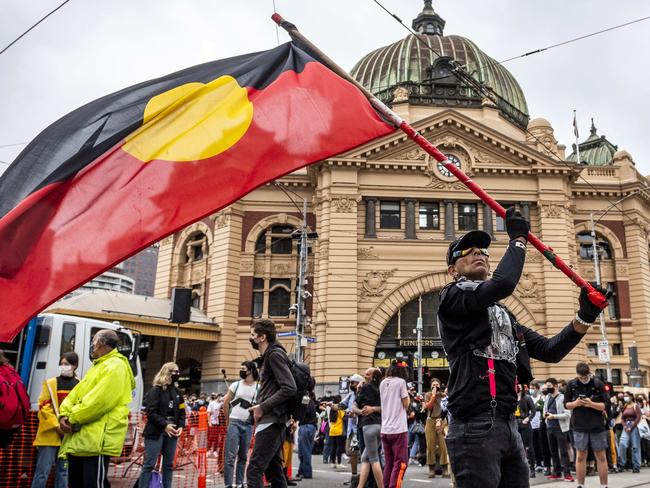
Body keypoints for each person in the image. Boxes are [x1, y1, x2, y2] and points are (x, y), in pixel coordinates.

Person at [437, 208, 610, 488]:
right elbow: (504, 283)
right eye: (467, 251)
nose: (478, 253)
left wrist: (586, 316)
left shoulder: (504, 314)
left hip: (509, 424)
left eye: (482, 250)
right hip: (474, 425)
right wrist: (518, 240)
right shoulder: (452, 296)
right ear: (452, 269)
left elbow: (551, 350)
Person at [58, 329, 135, 488]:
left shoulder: (116, 366)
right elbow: (75, 395)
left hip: (96, 440)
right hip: (83, 438)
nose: (92, 345)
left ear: (102, 343)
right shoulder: (97, 366)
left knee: (93, 484)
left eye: (94, 342)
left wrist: (70, 417)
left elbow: (99, 402)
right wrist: (63, 415)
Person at [246, 319, 297, 488]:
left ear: (262, 337)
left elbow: (289, 387)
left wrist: (263, 406)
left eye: (252, 335)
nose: (250, 338)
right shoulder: (271, 354)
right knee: (274, 471)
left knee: (254, 470)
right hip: (273, 419)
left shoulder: (274, 354)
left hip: (272, 419)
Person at [31, 352, 80, 488]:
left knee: (63, 472)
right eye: (61, 364)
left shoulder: (80, 385)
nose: (63, 366)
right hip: (50, 433)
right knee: (42, 471)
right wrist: (57, 425)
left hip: (68, 434)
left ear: (74, 366)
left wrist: (70, 425)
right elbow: (44, 406)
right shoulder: (50, 383)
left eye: (67, 364)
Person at [138, 362, 186, 488]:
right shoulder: (156, 390)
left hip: (173, 431)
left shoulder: (178, 393)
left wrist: (181, 426)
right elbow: (151, 412)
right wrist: (164, 425)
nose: (178, 374)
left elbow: (182, 412)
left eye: (178, 371)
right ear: (167, 372)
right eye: (175, 371)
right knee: (149, 464)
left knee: (169, 465)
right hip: (156, 431)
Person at [564, 361, 610, 488]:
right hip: (579, 425)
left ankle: (604, 485)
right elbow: (566, 404)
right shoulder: (572, 384)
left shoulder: (597, 383)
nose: (583, 379)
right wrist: (576, 403)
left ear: (589, 373)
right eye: (581, 377)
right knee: (580, 456)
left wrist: (591, 404)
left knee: (600, 456)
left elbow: (606, 405)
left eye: (585, 377)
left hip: (597, 425)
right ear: (577, 375)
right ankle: (580, 485)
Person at [221, 361, 259, 488]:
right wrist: (228, 421)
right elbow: (226, 403)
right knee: (230, 456)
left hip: (248, 425)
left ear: (251, 370)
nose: (241, 370)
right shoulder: (235, 385)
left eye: (244, 368)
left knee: (243, 456)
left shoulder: (259, 387)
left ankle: (239, 483)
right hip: (234, 422)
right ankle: (228, 484)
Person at [380, 363, 410, 488]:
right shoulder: (401, 382)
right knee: (401, 463)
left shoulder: (382, 383)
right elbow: (406, 403)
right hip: (399, 429)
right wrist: (409, 396)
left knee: (389, 463)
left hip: (385, 429)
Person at [353, 368, 383, 488]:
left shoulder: (365, 388)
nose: (365, 377)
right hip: (380, 425)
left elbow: (354, 405)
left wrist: (358, 390)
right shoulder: (382, 389)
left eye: (367, 375)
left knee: (374, 459)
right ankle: (360, 486)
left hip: (368, 425)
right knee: (365, 458)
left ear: (372, 376)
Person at [543, 378, 573, 481]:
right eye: (546, 386)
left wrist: (554, 416)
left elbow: (568, 414)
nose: (547, 388)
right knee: (553, 451)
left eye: (549, 386)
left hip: (560, 428)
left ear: (555, 386)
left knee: (563, 451)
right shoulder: (547, 397)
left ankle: (567, 474)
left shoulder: (563, 398)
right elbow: (545, 410)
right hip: (549, 427)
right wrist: (545, 415)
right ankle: (556, 472)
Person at [423, 377, 448, 478]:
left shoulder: (443, 396)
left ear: (440, 385)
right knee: (430, 445)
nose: (435, 386)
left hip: (441, 420)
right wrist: (433, 395)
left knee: (443, 445)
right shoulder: (428, 395)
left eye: (437, 385)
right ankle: (431, 468)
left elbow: (446, 407)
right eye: (433, 385)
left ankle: (445, 468)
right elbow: (428, 407)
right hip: (430, 421)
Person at [618, 391, 642, 473]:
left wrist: (631, 427)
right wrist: (624, 426)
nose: (625, 397)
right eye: (624, 396)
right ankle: (621, 464)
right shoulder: (625, 406)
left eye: (626, 396)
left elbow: (638, 417)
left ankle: (636, 466)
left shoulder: (636, 406)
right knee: (622, 444)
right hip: (626, 427)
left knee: (635, 446)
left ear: (631, 397)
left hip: (634, 426)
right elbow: (622, 418)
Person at [515, 384, 536, 478]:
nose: (517, 387)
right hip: (515, 425)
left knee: (528, 447)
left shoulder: (527, 398)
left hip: (525, 424)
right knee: (517, 448)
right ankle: (520, 468)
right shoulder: (512, 398)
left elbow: (534, 410)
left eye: (518, 385)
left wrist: (528, 418)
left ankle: (532, 469)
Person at [297, 390, 318, 480]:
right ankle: (301, 471)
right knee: (304, 450)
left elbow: (304, 412)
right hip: (311, 427)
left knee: (304, 451)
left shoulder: (306, 400)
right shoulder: (312, 401)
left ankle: (307, 472)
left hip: (305, 426)